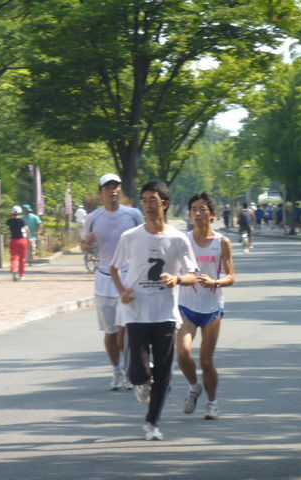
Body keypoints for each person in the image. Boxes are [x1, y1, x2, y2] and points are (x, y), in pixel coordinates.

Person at [110, 179, 198, 441]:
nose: (148, 205)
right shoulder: (130, 237)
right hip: (136, 312)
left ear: (165, 204)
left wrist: (177, 279)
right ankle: (141, 380)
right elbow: (114, 268)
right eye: (144, 201)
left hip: (165, 314)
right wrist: (122, 291)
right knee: (137, 373)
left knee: (163, 374)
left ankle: (152, 423)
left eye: (153, 200)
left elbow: (193, 274)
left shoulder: (178, 238)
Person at [80, 173, 143, 390]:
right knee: (110, 332)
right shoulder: (93, 218)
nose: (112, 191)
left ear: (120, 189)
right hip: (104, 279)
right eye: (107, 187)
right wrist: (87, 243)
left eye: (116, 186)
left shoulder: (133, 215)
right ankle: (117, 370)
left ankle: (128, 370)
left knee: (124, 330)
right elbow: (84, 246)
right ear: (101, 192)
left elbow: (145, 238)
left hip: (128, 278)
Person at [177, 192, 235, 420]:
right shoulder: (183, 240)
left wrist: (215, 282)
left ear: (212, 214)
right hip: (186, 304)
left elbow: (231, 276)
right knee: (183, 354)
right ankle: (194, 386)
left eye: (203, 209)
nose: (198, 213)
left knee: (206, 360)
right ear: (190, 215)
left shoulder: (222, 242)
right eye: (194, 210)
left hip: (211, 307)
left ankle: (212, 403)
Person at [6, 205, 29, 281]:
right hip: (22, 240)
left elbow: (7, 224)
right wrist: (29, 237)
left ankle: (14, 269)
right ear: (20, 212)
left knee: (14, 257)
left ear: (12, 213)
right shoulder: (22, 221)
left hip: (13, 241)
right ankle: (21, 275)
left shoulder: (9, 221)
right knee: (22, 258)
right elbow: (26, 229)